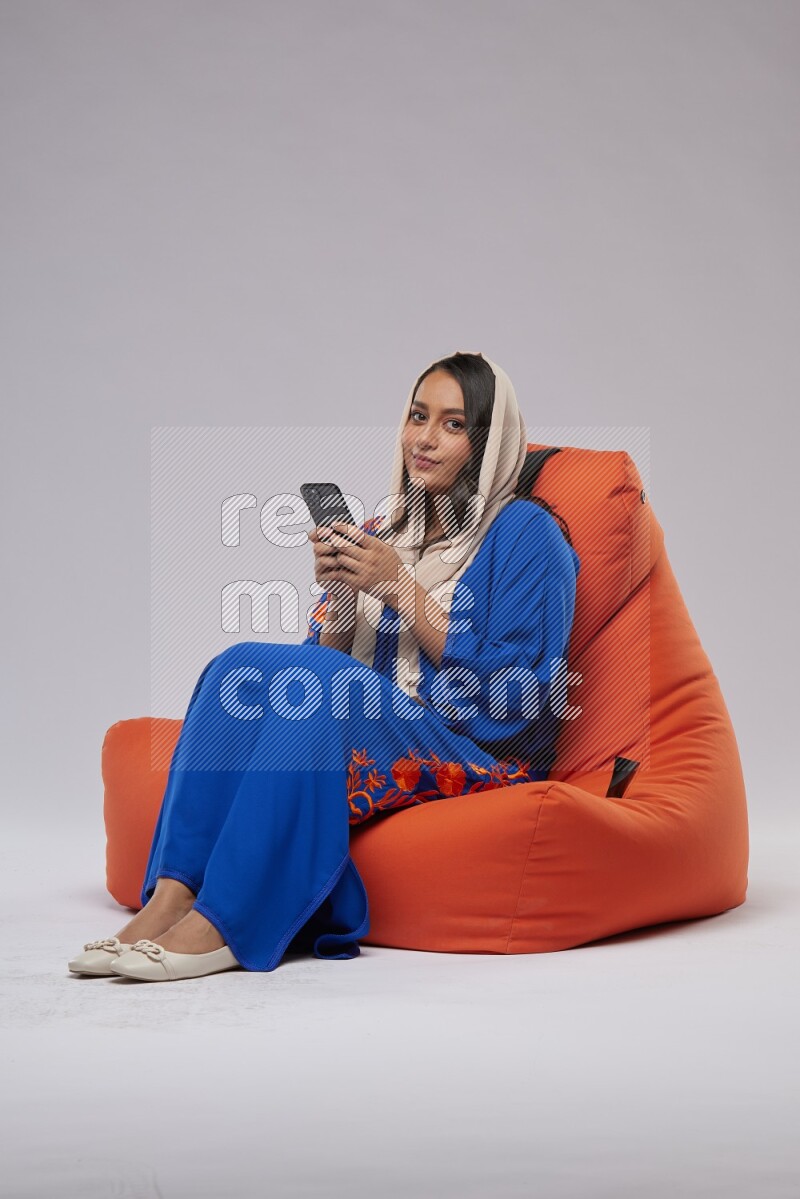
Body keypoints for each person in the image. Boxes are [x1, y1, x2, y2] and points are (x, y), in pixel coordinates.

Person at [68, 351, 581, 983]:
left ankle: (228, 924)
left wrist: (402, 590)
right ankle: (173, 897)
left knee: (316, 687)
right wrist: (341, 599)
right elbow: (315, 676)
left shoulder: (528, 533)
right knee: (237, 668)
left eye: (453, 424)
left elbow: (522, 693)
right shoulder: (386, 529)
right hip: (378, 720)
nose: (424, 438)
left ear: (489, 441)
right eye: (417, 416)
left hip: (478, 747)